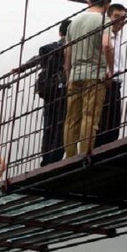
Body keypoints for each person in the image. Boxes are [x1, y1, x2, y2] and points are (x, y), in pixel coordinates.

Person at [63, 0, 114, 158]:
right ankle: (84, 154)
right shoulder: (103, 20)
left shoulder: (73, 23)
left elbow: (67, 53)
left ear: (89, 1)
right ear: (107, 5)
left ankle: (70, 156)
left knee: (71, 119)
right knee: (89, 117)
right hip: (94, 75)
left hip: (74, 75)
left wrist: (68, 74)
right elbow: (107, 45)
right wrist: (111, 70)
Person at [35, 20, 72, 165]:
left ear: (60, 32)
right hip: (63, 89)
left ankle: (45, 159)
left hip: (48, 90)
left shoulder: (49, 48)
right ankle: (55, 157)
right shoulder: (72, 46)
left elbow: (36, 60)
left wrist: (21, 68)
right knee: (61, 123)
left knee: (48, 124)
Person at [96, 3, 127, 147]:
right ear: (108, 17)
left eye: (123, 18)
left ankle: (109, 150)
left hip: (117, 84)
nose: (120, 21)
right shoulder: (104, 36)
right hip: (105, 83)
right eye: (116, 17)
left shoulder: (119, 37)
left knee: (114, 124)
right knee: (102, 124)